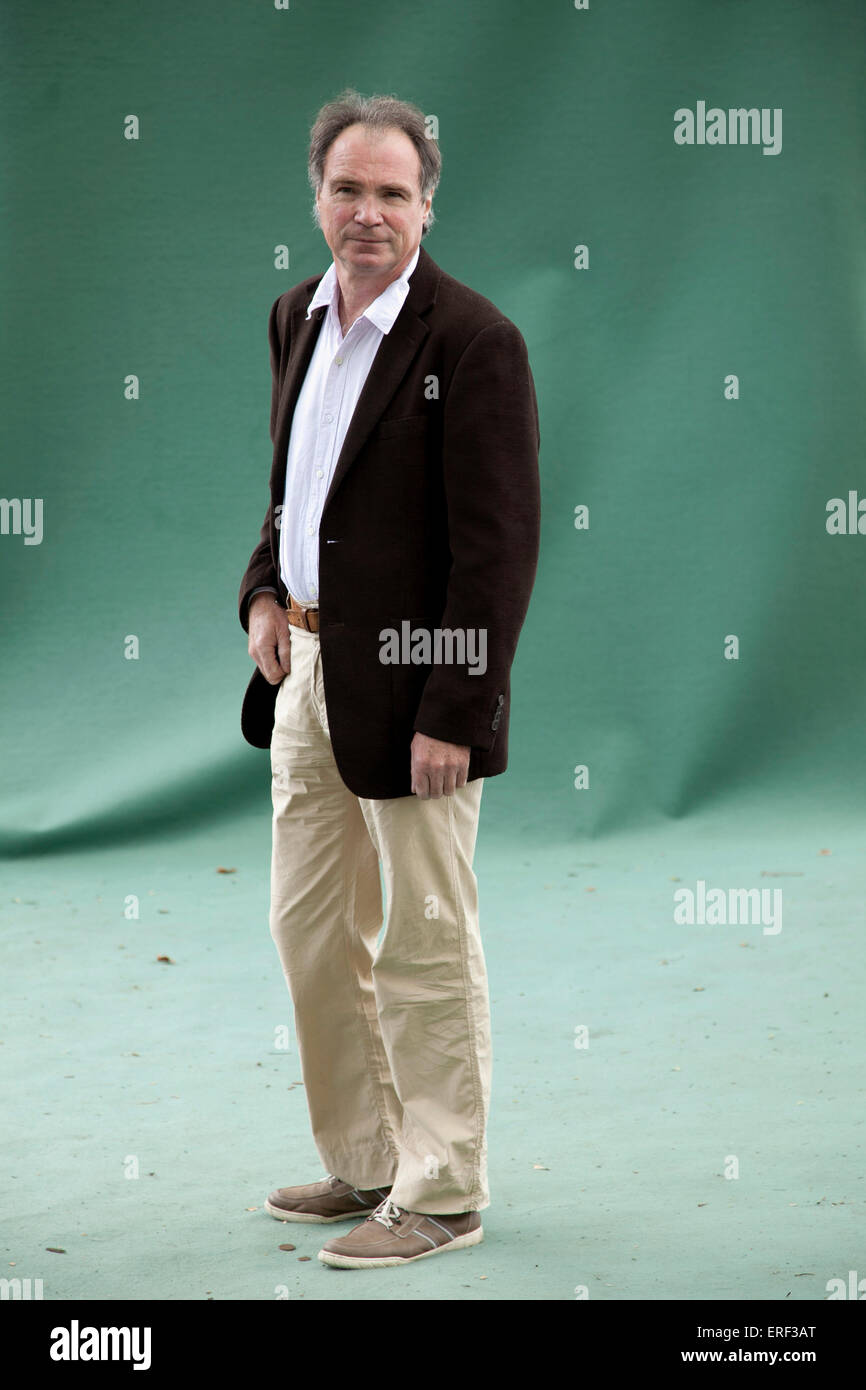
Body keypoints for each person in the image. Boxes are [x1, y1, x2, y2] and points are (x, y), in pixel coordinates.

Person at [237, 88, 540, 1270]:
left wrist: (455, 708)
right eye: (348, 190)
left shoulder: (472, 341)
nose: (369, 213)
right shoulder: (293, 317)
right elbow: (294, 490)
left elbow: (497, 544)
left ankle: (445, 1189)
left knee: (419, 939)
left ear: (427, 205)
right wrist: (263, 591)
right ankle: (368, 1161)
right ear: (316, 196)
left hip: (420, 688)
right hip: (307, 670)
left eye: (393, 194)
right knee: (308, 928)